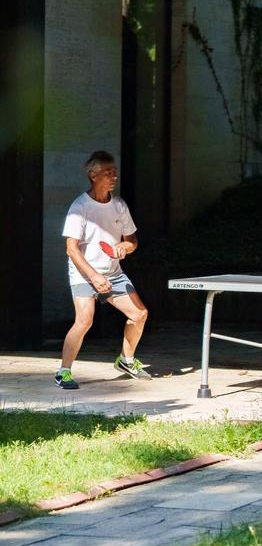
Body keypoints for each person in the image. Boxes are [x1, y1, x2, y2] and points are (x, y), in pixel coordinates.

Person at [55, 151, 151, 389]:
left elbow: (132, 241)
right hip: (84, 272)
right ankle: (63, 372)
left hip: (113, 273)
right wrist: (94, 277)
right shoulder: (79, 207)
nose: (113, 176)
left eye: (114, 172)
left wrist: (124, 248)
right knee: (84, 320)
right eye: (108, 172)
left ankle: (126, 361)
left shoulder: (119, 205)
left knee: (139, 314)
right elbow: (71, 249)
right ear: (93, 175)